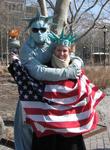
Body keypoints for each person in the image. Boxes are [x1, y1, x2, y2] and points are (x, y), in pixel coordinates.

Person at [9, 31, 105, 150]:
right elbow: (29, 80)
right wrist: (15, 64)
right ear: (53, 51)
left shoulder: (76, 69)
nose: (61, 53)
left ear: (69, 52)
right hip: (47, 127)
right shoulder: (45, 67)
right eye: (58, 50)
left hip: (70, 127)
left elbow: (84, 90)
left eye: (65, 51)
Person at [8, 10, 83, 150]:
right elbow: (38, 72)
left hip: (59, 94)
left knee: (65, 129)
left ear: (48, 28)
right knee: (29, 129)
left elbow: (71, 55)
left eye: (43, 29)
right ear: (30, 30)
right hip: (34, 93)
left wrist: (77, 63)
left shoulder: (54, 39)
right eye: (35, 29)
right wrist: (67, 72)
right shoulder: (26, 49)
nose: (39, 32)